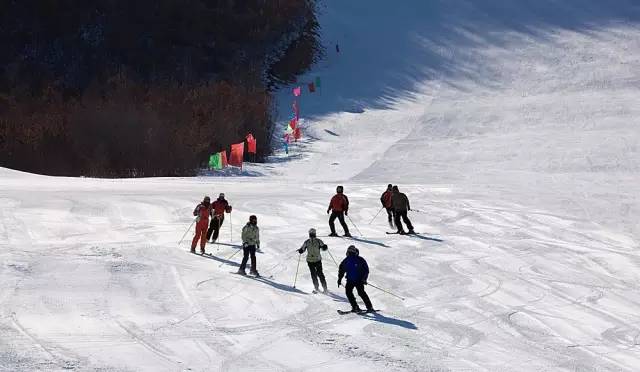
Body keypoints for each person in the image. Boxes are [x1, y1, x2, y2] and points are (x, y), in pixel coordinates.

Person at [337, 245, 374, 313]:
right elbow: (366, 270)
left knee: (349, 292)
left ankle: (355, 307)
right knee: (361, 293)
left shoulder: (347, 260)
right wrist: (364, 278)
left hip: (351, 280)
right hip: (358, 280)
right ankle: (369, 307)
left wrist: (339, 279)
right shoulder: (360, 259)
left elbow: (341, 270)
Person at [298, 228, 329, 293]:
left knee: (320, 274)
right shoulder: (306, 242)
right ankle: (316, 288)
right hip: (310, 261)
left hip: (317, 260)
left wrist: (325, 247)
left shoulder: (318, 241)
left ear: (315, 234)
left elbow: (323, 248)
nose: (312, 235)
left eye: (313, 234)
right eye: (311, 234)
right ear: (309, 234)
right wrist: (301, 250)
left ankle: (325, 289)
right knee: (313, 274)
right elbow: (303, 249)